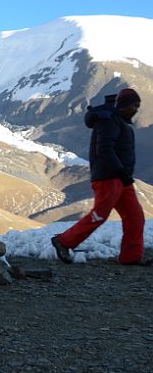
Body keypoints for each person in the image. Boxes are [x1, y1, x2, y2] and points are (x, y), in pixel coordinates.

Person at [52, 88, 146, 265]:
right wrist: (120, 172)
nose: (136, 109)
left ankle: (131, 257)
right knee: (99, 215)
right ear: (125, 105)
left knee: (135, 217)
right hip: (108, 177)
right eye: (135, 105)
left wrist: (123, 175)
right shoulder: (108, 120)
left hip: (121, 178)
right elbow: (104, 150)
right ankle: (63, 241)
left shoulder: (117, 120)